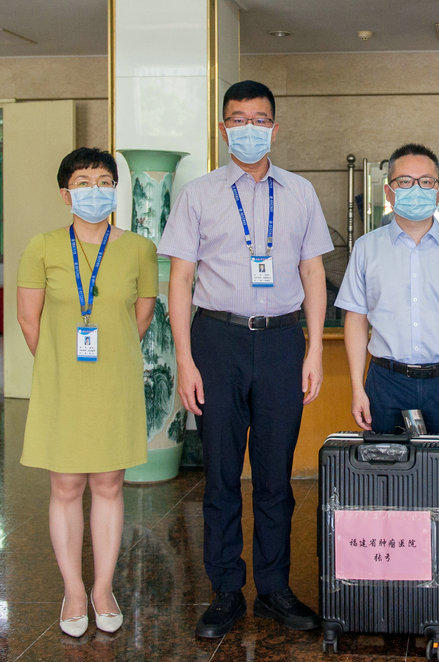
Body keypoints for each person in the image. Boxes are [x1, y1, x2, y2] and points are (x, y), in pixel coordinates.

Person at [158, 80, 333, 638]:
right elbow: (180, 280)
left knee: (276, 477)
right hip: (217, 340)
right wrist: (185, 360)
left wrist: (313, 350)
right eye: (238, 119)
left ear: (274, 128)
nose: (249, 129)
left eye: (259, 120)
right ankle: (226, 591)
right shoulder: (199, 194)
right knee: (221, 475)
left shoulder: (301, 191)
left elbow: (312, 273)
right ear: (223, 128)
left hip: (281, 342)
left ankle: (275, 589)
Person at [336, 143, 439, 623]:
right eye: (405, 182)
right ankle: (389, 581)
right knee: (383, 484)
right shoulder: (368, 248)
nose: (416, 190)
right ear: (388, 191)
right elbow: (355, 319)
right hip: (387, 381)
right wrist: (358, 386)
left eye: (426, 182)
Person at [17, 147, 158, 637]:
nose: (94, 190)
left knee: (109, 485)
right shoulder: (41, 247)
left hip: (114, 383)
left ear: (115, 190)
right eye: (82, 182)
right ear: (65, 194)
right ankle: (74, 590)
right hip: (61, 384)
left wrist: (107, 360)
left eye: (103, 181)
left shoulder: (139, 249)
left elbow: (141, 317)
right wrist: (61, 367)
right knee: (65, 487)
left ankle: (102, 588)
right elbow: (28, 320)